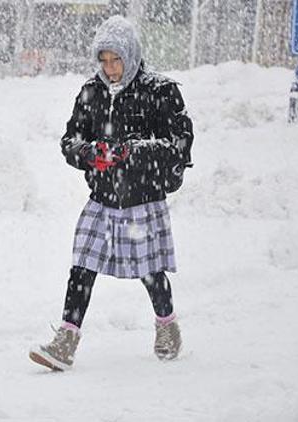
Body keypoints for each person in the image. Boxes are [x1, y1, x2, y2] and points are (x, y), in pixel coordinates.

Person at [29, 16, 194, 370]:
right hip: (103, 198)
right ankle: (66, 341)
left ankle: (167, 326)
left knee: (149, 271)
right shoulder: (91, 91)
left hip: (143, 198)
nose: (110, 68)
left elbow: (179, 144)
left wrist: (132, 151)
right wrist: (90, 153)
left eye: (116, 60)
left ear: (131, 56)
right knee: (82, 267)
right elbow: (69, 140)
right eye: (103, 60)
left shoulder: (160, 91)